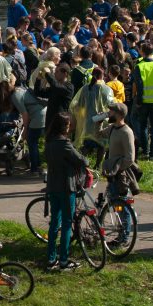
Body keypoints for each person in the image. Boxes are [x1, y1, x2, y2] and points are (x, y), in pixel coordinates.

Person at [44, 112, 89, 272]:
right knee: (67, 223)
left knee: (54, 223)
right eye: (69, 125)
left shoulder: (49, 142)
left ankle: (51, 258)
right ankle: (63, 260)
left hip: (52, 187)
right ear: (65, 127)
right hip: (66, 187)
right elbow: (82, 160)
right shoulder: (65, 144)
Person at [99, 102, 136, 244]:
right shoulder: (113, 128)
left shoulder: (126, 132)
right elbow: (99, 134)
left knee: (122, 206)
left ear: (119, 115)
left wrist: (116, 169)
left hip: (120, 176)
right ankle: (122, 232)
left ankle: (124, 237)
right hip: (112, 175)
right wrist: (98, 122)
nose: (109, 114)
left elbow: (130, 158)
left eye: (111, 112)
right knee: (114, 203)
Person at [132, 42, 153, 159]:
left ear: (142, 51)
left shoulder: (139, 66)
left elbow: (139, 86)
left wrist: (139, 101)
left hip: (145, 101)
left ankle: (145, 150)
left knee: (143, 126)